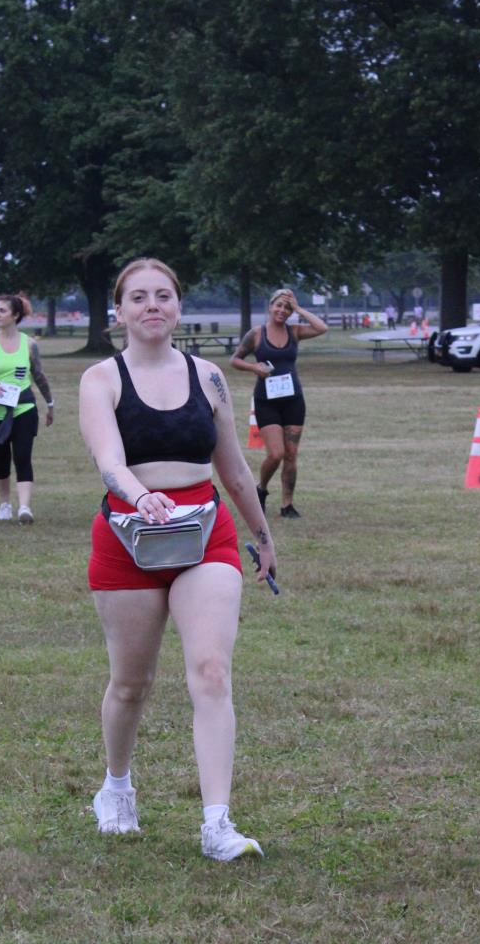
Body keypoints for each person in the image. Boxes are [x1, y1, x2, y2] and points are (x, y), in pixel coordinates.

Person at [79, 257, 276, 861]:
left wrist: (263, 535)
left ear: (179, 306)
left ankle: (217, 824)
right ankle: (116, 789)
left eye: (163, 295)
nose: (152, 306)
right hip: (129, 535)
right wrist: (142, 497)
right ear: (119, 311)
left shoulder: (209, 377)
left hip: (205, 534)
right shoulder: (101, 379)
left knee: (212, 671)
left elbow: (234, 469)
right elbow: (109, 461)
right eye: (138, 297)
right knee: (131, 684)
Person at [230, 287, 327, 519]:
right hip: (267, 401)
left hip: (293, 401)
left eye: (287, 308)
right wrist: (254, 367)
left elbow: (322, 328)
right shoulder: (256, 334)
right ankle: (261, 489)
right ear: (270, 307)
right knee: (276, 454)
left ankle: (287, 505)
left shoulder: (295, 331)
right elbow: (235, 360)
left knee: (291, 455)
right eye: (279, 305)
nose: (282, 311)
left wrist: (299, 308)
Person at [0, 294, 54, 523]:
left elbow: (38, 375)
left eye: (2, 310)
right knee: (1, 461)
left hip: (24, 407)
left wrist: (50, 403)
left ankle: (24, 508)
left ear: (15, 315)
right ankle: (5, 504)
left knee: (22, 457)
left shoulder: (29, 344)